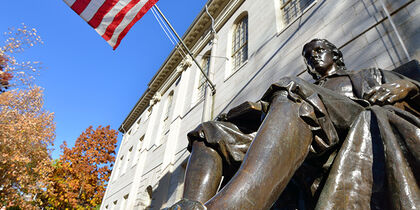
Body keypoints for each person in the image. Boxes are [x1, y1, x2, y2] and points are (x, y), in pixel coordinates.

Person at [170, 39, 420, 210]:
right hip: (300, 131)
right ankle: (192, 205)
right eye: (308, 57)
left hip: (349, 122)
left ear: (336, 54)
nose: (313, 57)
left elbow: (414, 90)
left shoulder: (368, 75)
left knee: (293, 89)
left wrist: (408, 86)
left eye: (319, 50)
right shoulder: (305, 88)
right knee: (210, 131)